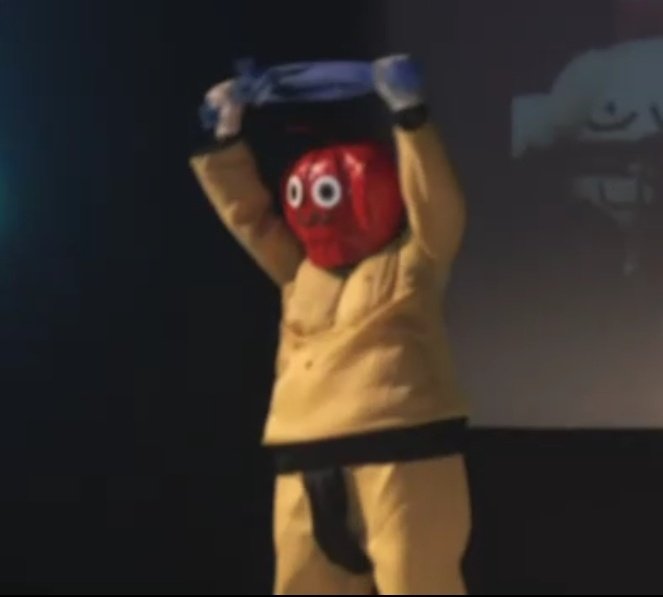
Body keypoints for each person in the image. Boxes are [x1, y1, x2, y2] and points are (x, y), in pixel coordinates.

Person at [190, 54, 472, 595]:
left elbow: (437, 205)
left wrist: (409, 117)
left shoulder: (411, 263)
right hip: (303, 456)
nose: (319, 212)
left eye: (330, 195)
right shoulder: (301, 274)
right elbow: (250, 219)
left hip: (400, 454)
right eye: (308, 196)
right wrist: (225, 137)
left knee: (419, 583)